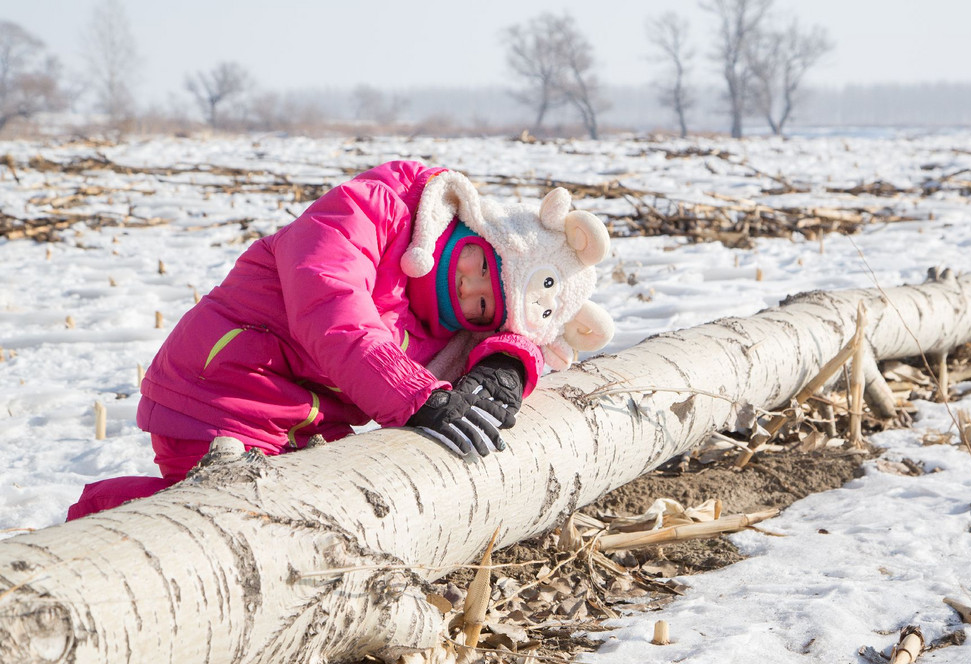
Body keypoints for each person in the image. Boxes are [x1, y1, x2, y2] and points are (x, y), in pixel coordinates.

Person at [66, 160, 615, 521]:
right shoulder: (378, 208)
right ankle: (102, 522)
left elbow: (509, 349)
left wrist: (507, 369)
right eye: (480, 264)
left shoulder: (445, 337)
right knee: (218, 512)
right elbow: (328, 305)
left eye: (483, 303)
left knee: (292, 521)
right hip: (219, 391)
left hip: (304, 422)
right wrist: (415, 396)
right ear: (484, 231)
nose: (467, 285)